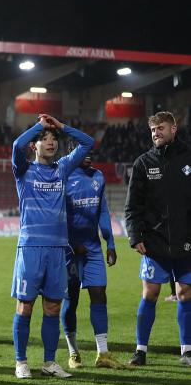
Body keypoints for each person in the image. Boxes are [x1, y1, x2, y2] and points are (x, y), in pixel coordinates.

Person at [11, 114, 94, 379]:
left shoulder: (62, 168)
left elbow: (88, 143)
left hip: (58, 249)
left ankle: (49, 362)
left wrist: (60, 127)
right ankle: (21, 362)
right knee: (25, 306)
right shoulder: (23, 170)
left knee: (53, 308)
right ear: (34, 145)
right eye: (44, 139)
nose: (51, 142)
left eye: (53, 139)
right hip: (31, 248)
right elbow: (15, 146)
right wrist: (39, 127)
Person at [124, 111, 191, 367]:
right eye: (153, 130)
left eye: (161, 128)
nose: (156, 133)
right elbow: (133, 206)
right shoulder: (143, 163)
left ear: (174, 128)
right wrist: (135, 236)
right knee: (150, 293)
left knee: (185, 293)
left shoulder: (188, 159)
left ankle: (187, 350)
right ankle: (140, 351)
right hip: (155, 242)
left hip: (186, 241)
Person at [62, 154, 125, 369]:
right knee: (71, 300)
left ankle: (103, 353)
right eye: (83, 151)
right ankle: (73, 352)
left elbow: (102, 210)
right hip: (69, 250)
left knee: (99, 294)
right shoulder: (63, 176)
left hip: (92, 247)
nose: (88, 155)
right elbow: (56, 214)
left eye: (91, 151)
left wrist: (111, 243)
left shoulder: (97, 175)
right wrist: (70, 243)